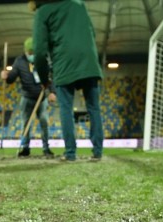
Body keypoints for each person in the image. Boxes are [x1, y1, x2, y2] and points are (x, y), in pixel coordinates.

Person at [31, 0, 104, 162]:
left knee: (66, 108)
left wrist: (44, 80)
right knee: (94, 107)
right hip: (89, 60)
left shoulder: (43, 11)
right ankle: (98, 152)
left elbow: (39, 51)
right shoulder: (79, 4)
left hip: (64, 63)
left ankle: (70, 153)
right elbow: (92, 33)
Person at [1, 37, 57, 158]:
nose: (32, 55)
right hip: (27, 98)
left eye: (34, 53)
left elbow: (50, 77)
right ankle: (25, 148)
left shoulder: (42, 59)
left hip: (41, 98)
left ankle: (46, 148)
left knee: (44, 122)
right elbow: (11, 79)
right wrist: (6, 76)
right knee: (26, 124)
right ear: (25, 51)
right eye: (30, 53)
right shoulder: (19, 61)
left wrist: (52, 92)